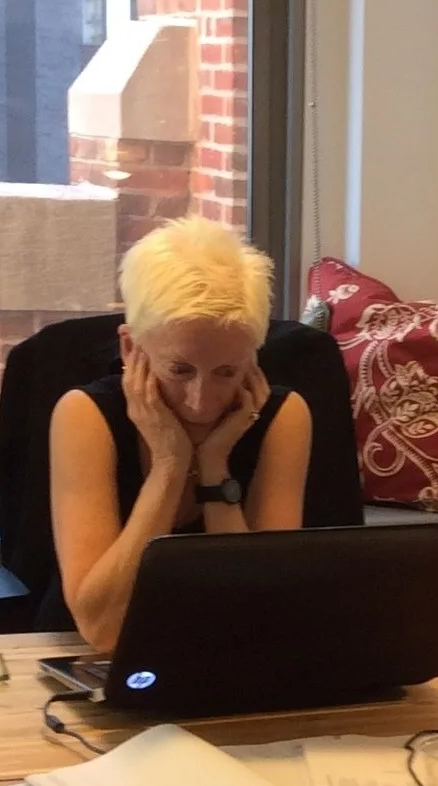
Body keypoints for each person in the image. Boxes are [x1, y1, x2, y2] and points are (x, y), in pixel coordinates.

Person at [47, 216, 313, 650]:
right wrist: (170, 465)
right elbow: (104, 630)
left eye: (226, 372)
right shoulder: (84, 415)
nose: (200, 402)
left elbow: (260, 613)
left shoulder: (283, 416)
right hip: (91, 659)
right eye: (180, 370)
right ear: (131, 348)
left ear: (252, 358)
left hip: (231, 655)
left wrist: (213, 468)